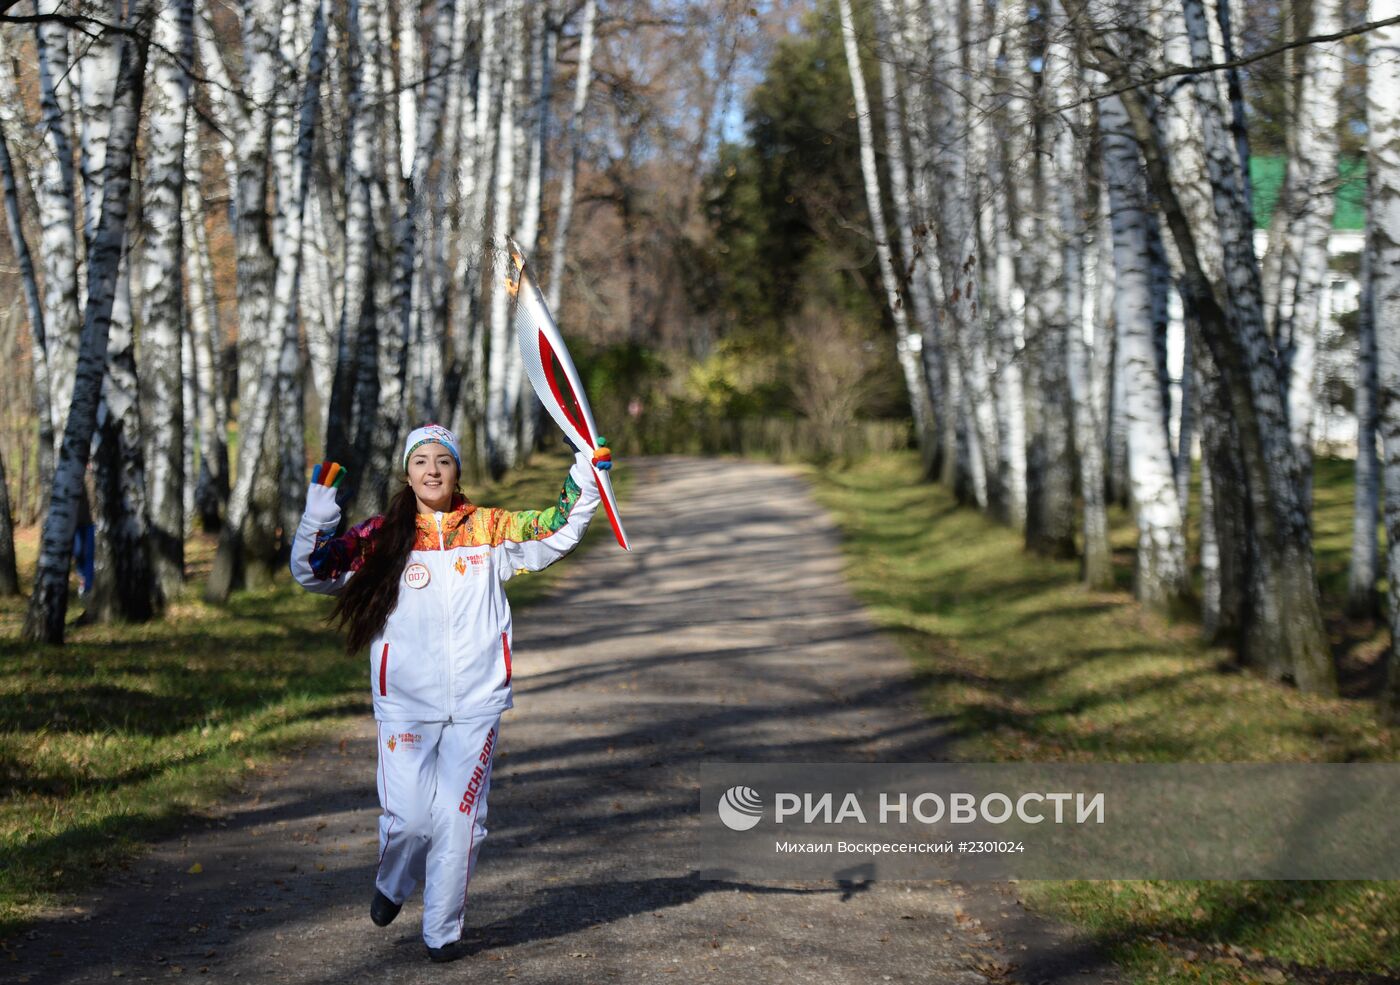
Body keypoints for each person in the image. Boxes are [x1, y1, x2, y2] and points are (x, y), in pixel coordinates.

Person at [289, 423, 610, 962]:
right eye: (421, 461)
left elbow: (553, 529)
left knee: (462, 819)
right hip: (406, 704)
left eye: (443, 460)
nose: (432, 470)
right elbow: (314, 569)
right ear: (408, 472)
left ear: (457, 469)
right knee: (410, 820)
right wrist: (320, 510)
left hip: (476, 702)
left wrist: (586, 473)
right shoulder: (381, 537)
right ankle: (394, 883)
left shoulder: (488, 527)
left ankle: (442, 931)